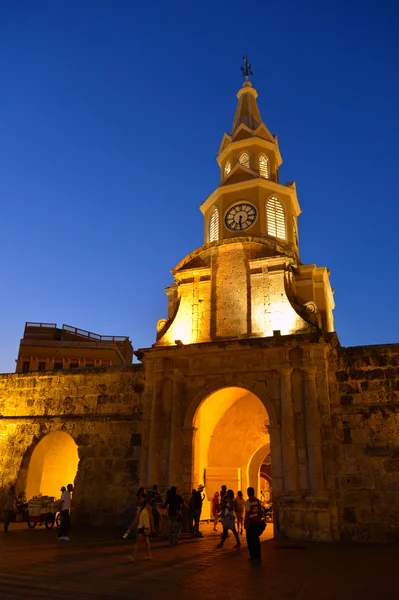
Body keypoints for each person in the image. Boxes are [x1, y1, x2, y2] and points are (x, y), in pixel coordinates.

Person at [244, 486, 264, 562]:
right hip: (257, 523)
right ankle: (258, 556)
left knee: (250, 540)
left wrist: (245, 523)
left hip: (251, 523)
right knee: (256, 540)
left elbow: (247, 513)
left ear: (248, 493)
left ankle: (252, 556)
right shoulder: (258, 502)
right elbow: (262, 512)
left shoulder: (248, 502)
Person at [130, 496, 152, 561]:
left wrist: (151, 526)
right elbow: (137, 517)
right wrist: (133, 525)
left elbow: (150, 517)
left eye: (141, 498)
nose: (140, 500)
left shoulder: (147, 507)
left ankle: (133, 556)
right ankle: (148, 554)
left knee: (139, 541)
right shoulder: (141, 508)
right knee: (146, 540)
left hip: (144, 527)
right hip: (142, 526)